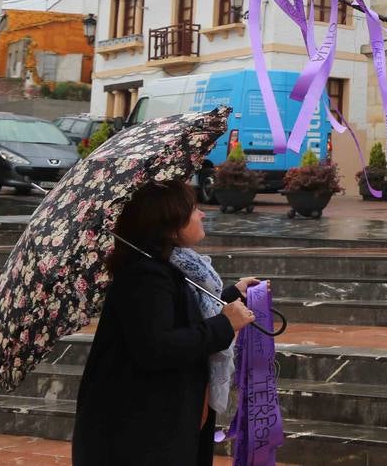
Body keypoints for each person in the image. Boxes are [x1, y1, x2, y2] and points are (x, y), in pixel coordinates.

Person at [73, 180, 258, 466]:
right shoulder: (145, 276)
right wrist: (224, 325)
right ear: (170, 224)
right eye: (193, 209)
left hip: (156, 425)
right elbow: (156, 347)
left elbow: (180, 314)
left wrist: (232, 295)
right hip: (137, 434)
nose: (202, 214)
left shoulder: (167, 267)